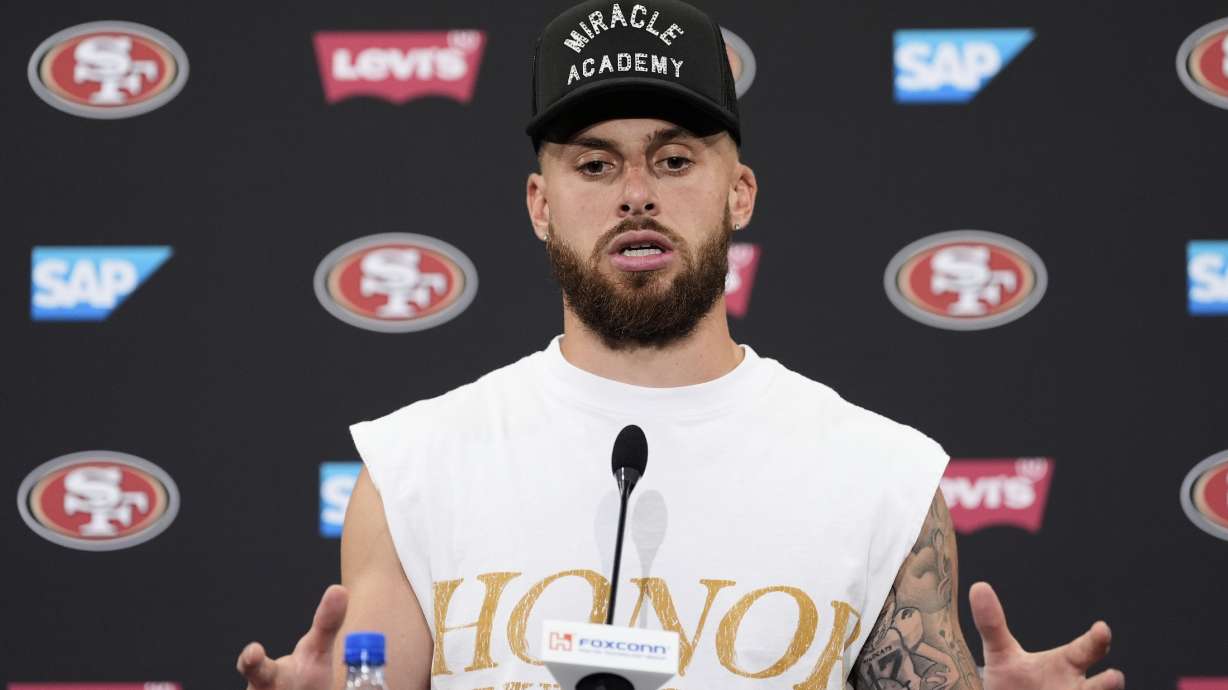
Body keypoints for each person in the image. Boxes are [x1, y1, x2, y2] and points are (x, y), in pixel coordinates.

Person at [237, 1, 1125, 689]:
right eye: (593, 164)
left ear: (738, 194)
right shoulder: (412, 467)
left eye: (673, 160)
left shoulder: (881, 476)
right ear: (540, 206)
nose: (634, 194)